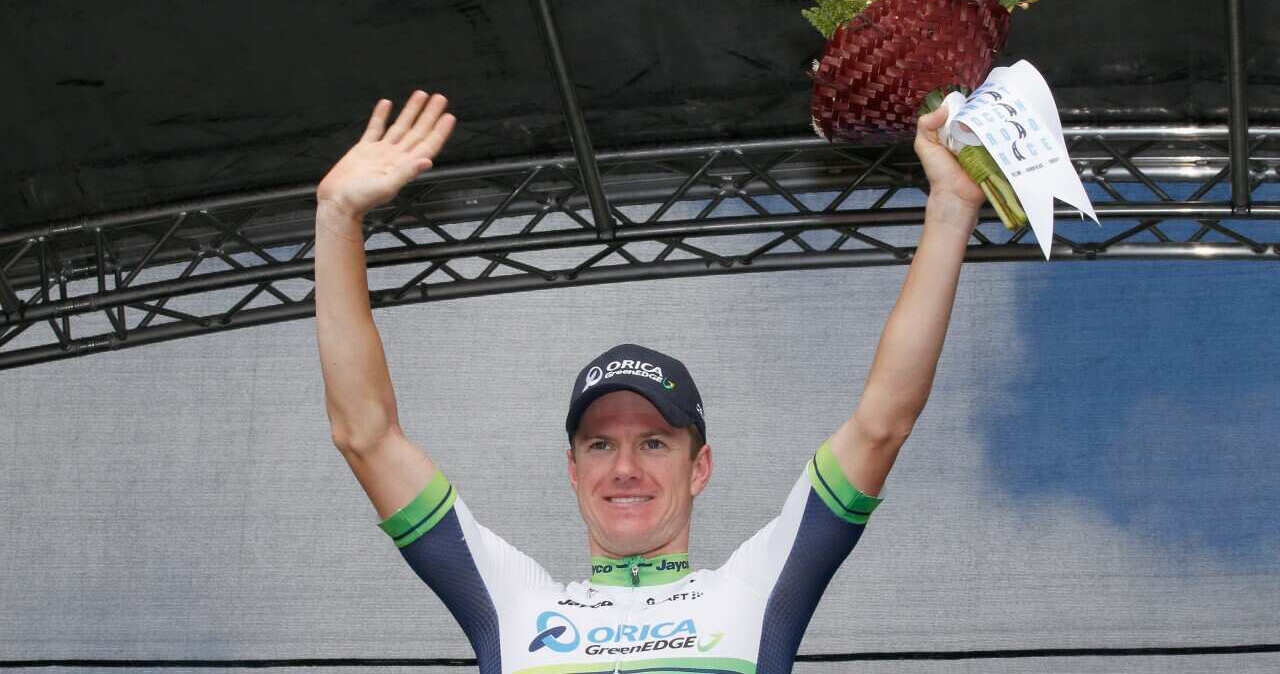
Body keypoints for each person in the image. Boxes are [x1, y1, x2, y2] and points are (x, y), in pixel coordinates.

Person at [315, 90, 985, 674]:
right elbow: (365, 435)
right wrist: (338, 218)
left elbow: (883, 422)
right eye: (600, 445)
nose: (625, 468)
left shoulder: (754, 590)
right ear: (572, 470)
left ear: (701, 468)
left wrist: (951, 208)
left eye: (656, 443)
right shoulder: (512, 601)